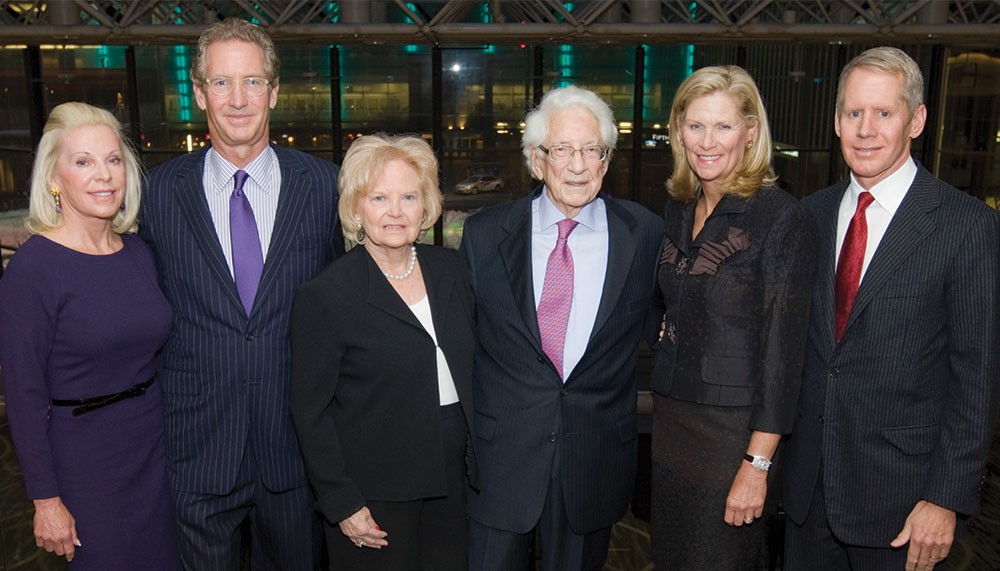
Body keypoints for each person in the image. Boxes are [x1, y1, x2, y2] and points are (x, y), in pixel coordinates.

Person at [782, 46, 1000, 570]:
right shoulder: (809, 216)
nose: (866, 129)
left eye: (884, 113)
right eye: (854, 113)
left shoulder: (965, 225)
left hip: (904, 503)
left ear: (917, 120)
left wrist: (946, 497)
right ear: (836, 122)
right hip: (808, 494)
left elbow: (978, 376)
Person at [139, 18, 341, 570]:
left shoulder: (325, 187)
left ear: (274, 92)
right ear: (199, 93)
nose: (237, 99)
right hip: (198, 450)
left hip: (295, 454)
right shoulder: (156, 194)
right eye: (222, 83)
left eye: (252, 82)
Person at [460, 85, 663, 571]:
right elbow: (459, 343)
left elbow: (661, 326)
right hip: (500, 463)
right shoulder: (484, 234)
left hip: (592, 465)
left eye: (591, 150)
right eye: (562, 150)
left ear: (606, 160)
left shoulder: (645, 234)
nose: (577, 165)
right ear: (536, 159)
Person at [647, 66, 817, 570]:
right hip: (672, 423)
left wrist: (756, 465)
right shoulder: (680, 207)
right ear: (678, 129)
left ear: (750, 131)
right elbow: (674, 297)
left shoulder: (782, 218)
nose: (707, 141)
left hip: (732, 439)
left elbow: (783, 357)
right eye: (695, 125)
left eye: (722, 126)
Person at [0, 102, 181, 569]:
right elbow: (23, 393)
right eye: (83, 162)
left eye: (113, 159)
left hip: (154, 450)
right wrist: (45, 499)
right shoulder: (33, 270)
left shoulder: (139, 252)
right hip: (85, 464)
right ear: (53, 177)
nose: (104, 175)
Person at [290, 134, 477, 570]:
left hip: (453, 483)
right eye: (379, 197)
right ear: (356, 209)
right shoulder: (327, 295)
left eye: (409, 196)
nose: (396, 211)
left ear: (426, 205)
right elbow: (309, 411)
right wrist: (342, 503)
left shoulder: (451, 270)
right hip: (374, 496)